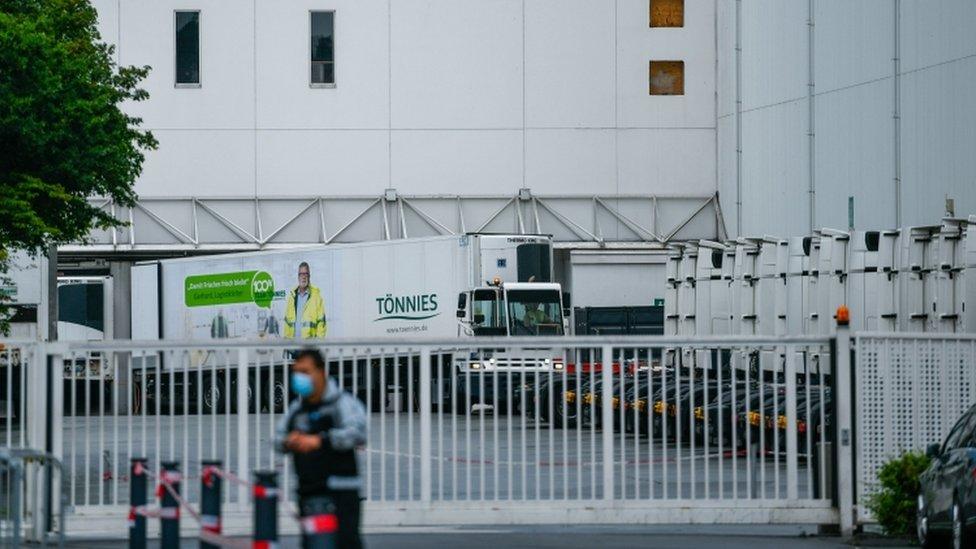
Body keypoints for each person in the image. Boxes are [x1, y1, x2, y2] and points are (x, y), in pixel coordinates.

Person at [276, 348, 366, 548]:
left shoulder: (341, 403)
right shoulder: (297, 410)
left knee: (344, 543)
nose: (300, 377)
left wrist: (321, 441)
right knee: (313, 543)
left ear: (321, 371)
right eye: (297, 372)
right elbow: (278, 438)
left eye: (306, 371)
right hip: (309, 493)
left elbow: (358, 433)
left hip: (340, 493)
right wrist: (289, 441)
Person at [284, 262, 327, 340]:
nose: (303, 277)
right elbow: (287, 324)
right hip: (293, 347)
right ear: (298, 277)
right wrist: (287, 344)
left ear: (309, 276)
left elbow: (321, 324)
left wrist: (317, 345)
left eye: (306, 274)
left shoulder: (316, 297)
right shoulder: (292, 297)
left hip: (309, 348)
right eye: (301, 274)